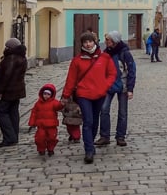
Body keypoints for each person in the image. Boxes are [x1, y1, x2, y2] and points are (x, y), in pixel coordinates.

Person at [61, 31, 117, 164]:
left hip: (99, 93)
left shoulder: (104, 58)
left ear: (95, 42)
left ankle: (90, 143)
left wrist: (105, 85)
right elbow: (71, 79)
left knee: (95, 120)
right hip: (83, 94)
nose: (88, 44)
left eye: (90, 41)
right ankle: (89, 150)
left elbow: (112, 73)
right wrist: (65, 95)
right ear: (82, 44)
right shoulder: (77, 60)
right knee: (88, 121)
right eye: (85, 42)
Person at [96, 31, 136, 147]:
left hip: (123, 85)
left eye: (108, 39)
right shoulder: (106, 53)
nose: (106, 41)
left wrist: (130, 88)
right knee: (104, 109)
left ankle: (120, 136)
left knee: (122, 112)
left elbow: (132, 70)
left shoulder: (125, 53)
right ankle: (104, 136)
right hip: (108, 85)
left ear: (114, 41)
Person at [0, 37, 27, 147]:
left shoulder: (11, 59)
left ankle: (9, 137)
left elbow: (5, 77)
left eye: (7, 47)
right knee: (13, 113)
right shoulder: (22, 57)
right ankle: (14, 136)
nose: (5, 48)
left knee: (1, 112)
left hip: (7, 92)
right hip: (17, 92)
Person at [27, 83, 63, 156]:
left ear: (51, 95)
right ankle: (41, 149)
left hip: (51, 125)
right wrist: (32, 122)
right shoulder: (38, 103)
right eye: (45, 94)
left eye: (48, 94)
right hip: (41, 125)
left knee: (52, 138)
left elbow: (58, 107)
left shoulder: (54, 102)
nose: (46, 96)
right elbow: (34, 113)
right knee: (39, 138)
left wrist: (62, 104)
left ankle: (50, 148)